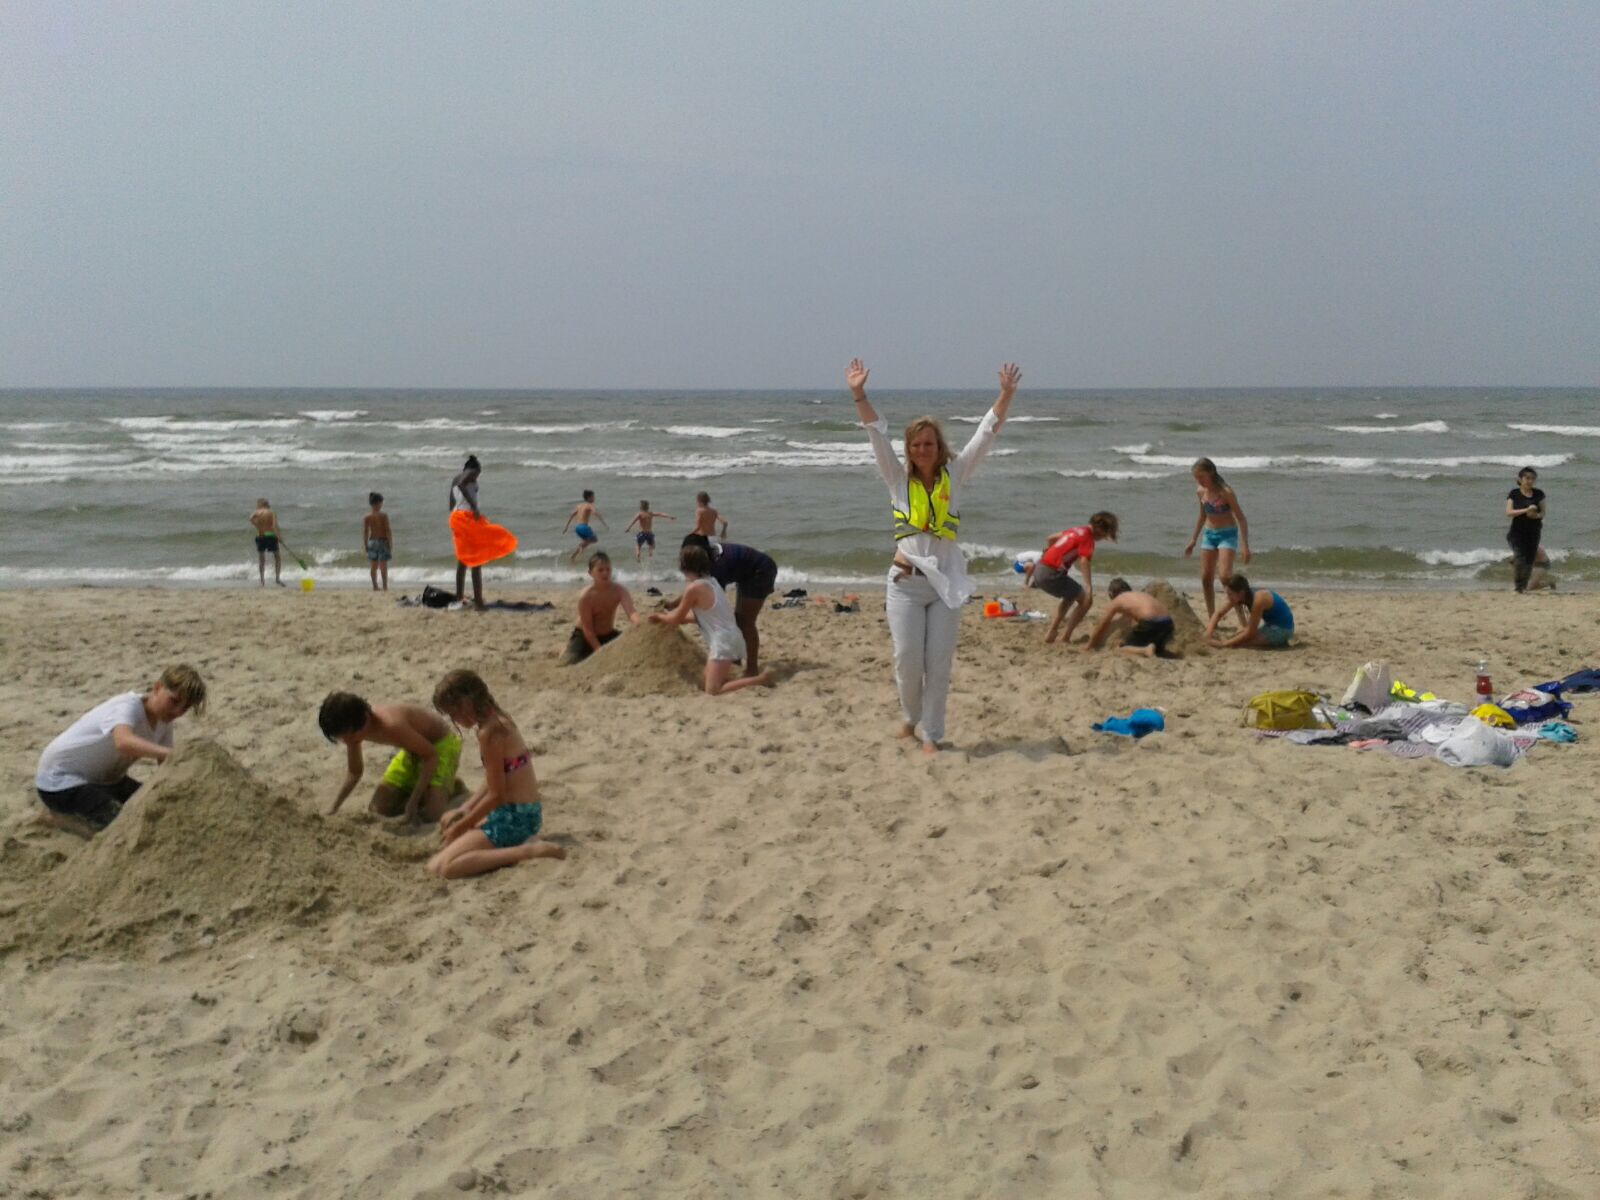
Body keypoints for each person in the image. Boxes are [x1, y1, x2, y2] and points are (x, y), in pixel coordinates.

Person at [847, 357, 1021, 754]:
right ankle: (910, 717)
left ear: (939, 447)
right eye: (916, 444)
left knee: (938, 666)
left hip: (946, 587)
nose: (923, 449)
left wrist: (1005, 395)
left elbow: (986, 433)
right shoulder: (897, 479)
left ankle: (932, 734)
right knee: (908, 660)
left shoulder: (956, 475)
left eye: (930, 443)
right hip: (905, 583)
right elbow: (875, 432)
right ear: (909, 449)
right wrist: (858, 394)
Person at [34, 665, 207, 834]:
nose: (177, 711)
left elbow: (167, 766)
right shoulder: (128, 705)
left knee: (154, 807)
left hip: (105, 780)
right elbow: (123, 742)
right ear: (157, 687)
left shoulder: (164, 722)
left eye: (185, 708)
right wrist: (171, 753)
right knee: (121, 828)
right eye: (174, 701)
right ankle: (62, 822)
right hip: (59, 780)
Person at [427, 671, 565, 878]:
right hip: (523, 813)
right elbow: (495, 779)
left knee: (444, 868)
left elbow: (496, 795)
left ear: (467, 703)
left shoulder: (490, 733)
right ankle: (516, 843)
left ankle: (527, 851)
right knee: (447, 823)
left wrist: (462, 826)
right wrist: (466, 809)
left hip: (514, 819)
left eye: (454, 713)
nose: (454, 719)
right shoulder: (498, 719)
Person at [648, 544, 774, 695]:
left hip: (723, 643)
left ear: (683, 566)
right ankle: (735, 680)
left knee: (712, 690)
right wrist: (677, 618)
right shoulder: (712, 581)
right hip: (731, 637)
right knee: (704, 680)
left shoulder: (693, 589)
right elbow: (702, 616)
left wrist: (658, 617)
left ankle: (760, 680)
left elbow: (675, 618)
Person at [319, 692, 463, 823]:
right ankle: (430, 789)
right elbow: (355, 772)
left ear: (366, 718)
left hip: (440, 747)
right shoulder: (352, 730)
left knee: (432, 816)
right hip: (412, 749)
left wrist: (412, 802)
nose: (348, 742)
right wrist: (334, 807)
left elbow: (431, 757)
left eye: (350, 737)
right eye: (342, 738)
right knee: (377, 810)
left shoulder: (392, 725)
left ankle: (450, 788)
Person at [689, 536, 780, 676]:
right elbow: (696, 589)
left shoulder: (717, 566)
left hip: (761, 571)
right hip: (746, 574)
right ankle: (735, 662)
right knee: (737, 619)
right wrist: (675, 604)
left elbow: (711, 601)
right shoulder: (708, 559)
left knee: (745, 621)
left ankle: (752, 669)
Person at [1025, 512, 1118, 645]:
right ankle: (1065, 637)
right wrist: (1089, 586)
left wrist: (1049, 551)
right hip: (1051, 574)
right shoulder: (1088, 538)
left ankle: (1052, 631)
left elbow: (1050, 538)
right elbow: (1084, 561)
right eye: (1105, 534)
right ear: (1100, 529)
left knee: (1070, 595)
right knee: (1086, 600)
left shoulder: (1076, 530)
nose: (1103, 538)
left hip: (1039, 569)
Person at [1182, 458, 1250, 617]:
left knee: (1225, 577)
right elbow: (1202, 515)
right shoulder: (1200, 491)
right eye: (1196, 478)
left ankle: (1242, 617)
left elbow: (1241, 518)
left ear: (1211, 473)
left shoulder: (1226, 492)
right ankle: (1213, 617)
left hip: (1227, 534)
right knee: (1206, 578)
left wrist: (1245, 545)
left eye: (1201, 477)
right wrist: (1193, 539)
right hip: (1209, 534)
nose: (1199, 481)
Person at [448, 455, 518, 610]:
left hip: (457, 517)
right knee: (476, 560)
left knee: (463, 560)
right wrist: (473, 506)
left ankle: (460, 596)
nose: (477, 477)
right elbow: (461, 485)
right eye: (476, 473)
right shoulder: (463, 477)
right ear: (471, 469)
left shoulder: (455, 479)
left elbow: (451, 502)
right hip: (465, 517)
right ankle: (478, 602)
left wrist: (453, 521)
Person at [561, 551, 639, 665]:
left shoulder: (619, 590)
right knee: (569, 662)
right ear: (590, 573)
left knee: (631, 652)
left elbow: (631, 612)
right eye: (600, 570)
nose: (605, 573)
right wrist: (600, 651)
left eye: (608, 569)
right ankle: (563, 649)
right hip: (584, 636)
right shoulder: (586, 596)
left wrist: (640, 624)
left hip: (608, 634)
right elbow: (588, 630)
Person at [1083, 578, 1176, 658]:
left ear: (1111, 594)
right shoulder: (1140, 594)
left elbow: (1102, 623)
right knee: (1155, 647)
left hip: (1151, 623)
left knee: (1119, 649)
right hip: (1168, 624)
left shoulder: (1117, 600)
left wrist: (1089, 645)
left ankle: (1145, 650)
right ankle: (1159, 650)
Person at [1206, 573, 1294, 649]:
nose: (1228, 597)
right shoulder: (1243, 595)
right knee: (1236, 637)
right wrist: (1208, 634)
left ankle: (1281, 641)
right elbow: (1218, 613)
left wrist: (1223, 644)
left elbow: (1250, 633)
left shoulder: (1258, 599)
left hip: (1283, 629)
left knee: (1239, 644)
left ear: (1240, 592)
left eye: (1230, 594)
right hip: (1270, 625)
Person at [1505, 466, 1547, 594]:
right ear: (1520, 479)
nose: (1530, 481)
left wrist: (1535, 515)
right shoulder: (1514, 493)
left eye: (1532, 479)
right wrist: (1526, 510)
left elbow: (1543, 514)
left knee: (1529, 560)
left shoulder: (1539, 494)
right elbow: (1508, 512)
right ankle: (1518, 586)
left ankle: (1522, 588)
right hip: (1517, 532)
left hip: (1533, 531)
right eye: (1527, 478)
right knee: (1519, 558)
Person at [250, 499, 292, 588]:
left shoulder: (257, 512)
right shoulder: (271, 513)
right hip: (271, 536)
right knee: (277, 557)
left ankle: (262, 581)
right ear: (267, 505)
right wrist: (279, 536)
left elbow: (251, 518)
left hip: (260, 535)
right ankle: (277, 579)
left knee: (261, 559)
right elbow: (274, 525)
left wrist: (258, 526)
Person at [563, 490, 607, 562]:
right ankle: (581, 547)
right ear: (589, 498)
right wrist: (603, 522)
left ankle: (573, 556)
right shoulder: (589, 505)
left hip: (577, 528)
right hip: (584, 527)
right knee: (594, 539)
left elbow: (572, 515)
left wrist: (566, 527)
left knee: (586, 542)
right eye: (593, 497)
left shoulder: (579, 506)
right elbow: (595, 513)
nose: (594, 498)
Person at [363, 492, 392, 592]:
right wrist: (390, 543)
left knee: (373, 565)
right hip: (382, 541)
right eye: (381, 503)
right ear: (378, 503)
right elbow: (387, 530)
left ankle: (375, 586)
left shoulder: (367, 517)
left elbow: (366, 532)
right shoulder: (383, 516)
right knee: (383, 565)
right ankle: (384, 586)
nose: (381, 505)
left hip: (372, 541)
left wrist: (365, 544)